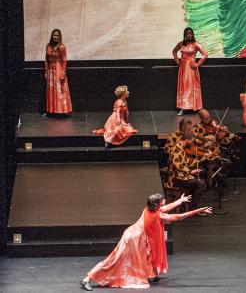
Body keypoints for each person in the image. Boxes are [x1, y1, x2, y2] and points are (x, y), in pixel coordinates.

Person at [80, 194, 211, 291]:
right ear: (157, 204)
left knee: (145, 257)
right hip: (134, 239)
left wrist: (180, 201)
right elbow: (179, 217)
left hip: (133, 235)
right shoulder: (158, 215)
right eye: (162, 201)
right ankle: (87, 278)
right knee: (114, 260)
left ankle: (151, 274)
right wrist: (197, 211)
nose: (164, 202)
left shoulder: (149, 208)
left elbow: (166, 207)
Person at [189, 109, 238, 188]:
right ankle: (210, 183)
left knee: (229, 162)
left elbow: (224, 141)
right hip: (204, 154)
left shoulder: (215, 126)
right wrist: (205, 139)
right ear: (201, 119)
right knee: (210, 165)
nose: (209, 120)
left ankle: (216, 181)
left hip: (216, 153)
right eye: (206, 119)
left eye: (209, 117)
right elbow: (193, 140)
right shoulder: (196, 128)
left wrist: (224, 135)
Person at [165, 120, 206, 210]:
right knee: (200, 183)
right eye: (191, 141)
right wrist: (191, 171)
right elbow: (178, 166)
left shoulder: (182, 148)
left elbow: (187, 162)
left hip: (182, 176)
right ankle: (193, 206)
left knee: (200, 179)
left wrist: (200, 158)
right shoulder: (176, 149)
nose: (192, 143)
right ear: (187, 140)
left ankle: (191, 203)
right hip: (176, 178)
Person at [172, 27, 208, 116]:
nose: (189, 35)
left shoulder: (195, 44)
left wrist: (197, 64)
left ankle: (195, 106)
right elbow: (174, 52)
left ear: (193, 34)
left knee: (191, 87)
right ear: (185, 35)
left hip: (191, 68)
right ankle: (183, 107)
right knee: (183, 87)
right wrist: (177, 61)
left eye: (190, 33)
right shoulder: (181, 44)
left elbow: (205, 53)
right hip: (183, 68)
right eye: (187, 34)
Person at [44, 28, 72, 116]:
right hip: (50, 71)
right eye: (54, 35)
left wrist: (63, 73)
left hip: (58, 70)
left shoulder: (61, 47)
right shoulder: (48, 46)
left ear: (59, 37)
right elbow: (46, 60)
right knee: (51, 91)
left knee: (59, 91)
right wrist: (46, 71)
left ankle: (61, 111)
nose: (55, 37)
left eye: (57, 35)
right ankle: (52, 111)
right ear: (52, 36)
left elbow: (64, 61)